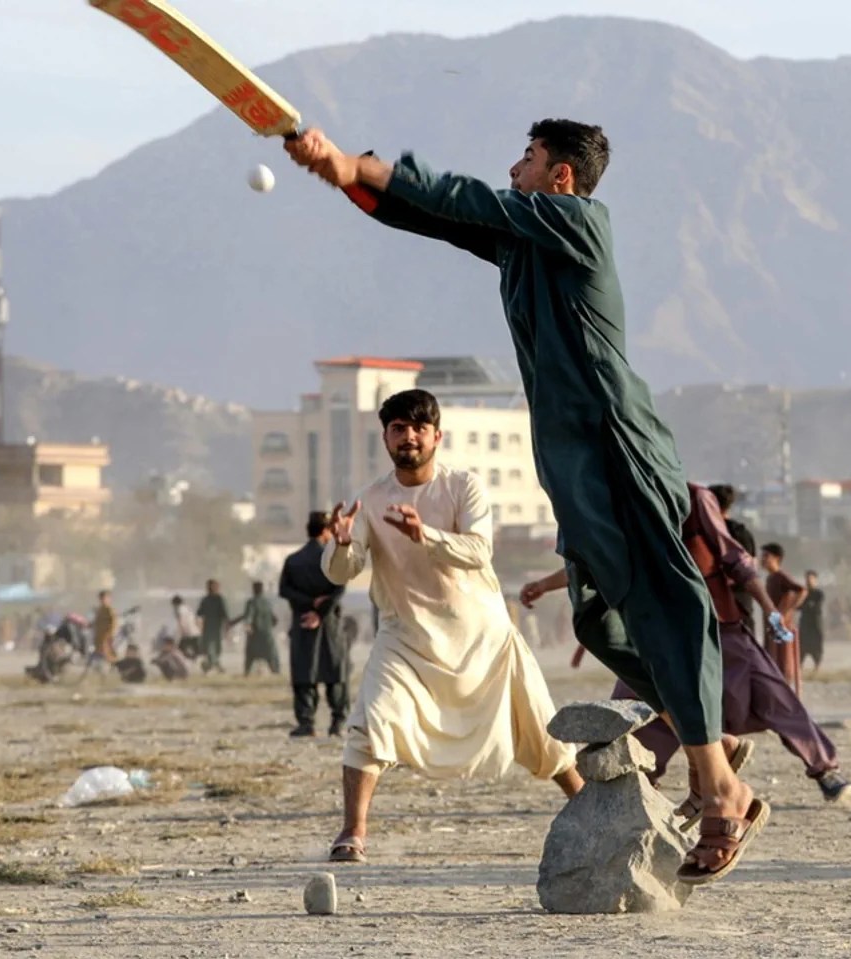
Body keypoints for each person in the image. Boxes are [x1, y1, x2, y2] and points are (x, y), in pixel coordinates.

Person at [286, 119, 765, 883]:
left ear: (562, 177)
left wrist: (356, 163)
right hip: (570, 463)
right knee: (598, 619)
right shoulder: (523, 246)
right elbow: (444, 216)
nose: (513, 169)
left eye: (529, 159)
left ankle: (720, 788)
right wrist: (352, 179)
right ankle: (700, 727)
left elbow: (469, 197)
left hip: (618, 445)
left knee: (663, 604)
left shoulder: (578, 224)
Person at [320, 390, 581, 864]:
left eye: (419, 428)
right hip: (406, 638)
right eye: (399, 428)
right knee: (369, 722)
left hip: (483, 637)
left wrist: (427, 535)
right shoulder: (371, 499)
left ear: (437, 436)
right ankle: (352, 832)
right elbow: (343, 571)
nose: (409, 437)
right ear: (385, 438)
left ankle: (590, 809)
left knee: (542, 732)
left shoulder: (464, 487)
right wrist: (340, 544)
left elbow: (480, 551)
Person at [523, 483, 851, 813]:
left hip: (719, 627)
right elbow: (594, 560)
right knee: (635, 708)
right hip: (657, 632)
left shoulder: (696, 499)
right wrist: (543, 585)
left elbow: (735, 559)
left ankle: (826, 771)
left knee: (774, 698)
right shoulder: (621, 503)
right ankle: (633, 789)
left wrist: (769, 608)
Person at [279, 510, 348, 738]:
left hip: (302, 623)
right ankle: (337, 723)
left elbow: (284, 590)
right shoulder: (332, 559)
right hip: (329, 625)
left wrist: (308, 605)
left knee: (303, 674)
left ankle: (306, 723)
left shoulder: (293, 560)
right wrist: (321, 611)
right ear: (326, 530)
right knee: (335, 673)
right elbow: (339, 589)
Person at [707, 484, 756, 630]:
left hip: (719, 604)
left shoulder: (708, 532)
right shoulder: (743, 533)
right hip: (743, 603)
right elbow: (752, 567)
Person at [761, 544, 805, 696]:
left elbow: (801, 590)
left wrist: (787, 612)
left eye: (766, 556)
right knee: (771, 663)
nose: (763, 560)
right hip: (771, 629)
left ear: (776, 558)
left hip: (781, 629)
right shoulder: (770, 578)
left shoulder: (781, 576)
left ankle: (788, 697)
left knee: (782, 666)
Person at [231, 581, 280, 675]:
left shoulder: (251, 602)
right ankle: (276, 671)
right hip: (267, 634)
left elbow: (248, 616)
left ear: (253, 590)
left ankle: (247, 672)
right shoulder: (267, 602)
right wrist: (269, 627)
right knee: (271, 654)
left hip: (255, 634)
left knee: (250, 654)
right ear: (262, 590)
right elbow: (275, 619)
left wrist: (248, 626)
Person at [195, 579, 232, 674]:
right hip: (208, 630)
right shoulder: (205, 600)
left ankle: (207, 666)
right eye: (209, 587)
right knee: (210, 651)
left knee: (217, 651)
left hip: (217, 630)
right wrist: (199, 624)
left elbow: (225, 615)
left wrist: (227, 629)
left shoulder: (220, 599)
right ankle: (218, 668)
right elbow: (199, 613)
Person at [797, 570, 826, 672]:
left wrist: (808, 605)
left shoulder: (819, 593)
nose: (809, 581)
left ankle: (817, 667)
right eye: (807, 579)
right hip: (805, 624)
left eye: (811, 579)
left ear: (815, 580)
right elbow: (798, 606)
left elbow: (816, 606)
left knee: (816, 647)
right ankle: (799, 667)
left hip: (815, 624)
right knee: (801, 646)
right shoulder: (803, 593)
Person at [172, 594, 201, 661]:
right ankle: (194, 658)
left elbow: (181, 620)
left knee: (180, 649)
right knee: (195, 648)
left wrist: (181, 631)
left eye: (173, 604)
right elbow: (195, 618)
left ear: (175, 603)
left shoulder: (179, 609)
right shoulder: (187, 607)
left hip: (187, 632)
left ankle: (191, 658)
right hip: (195, 631)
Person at [92, 590, 117, 663]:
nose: (102, 600)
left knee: (108, 651)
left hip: (106, 635)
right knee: (100, 651)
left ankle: (114, 664)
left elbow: (114, 623)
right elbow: (97, 622)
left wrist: (110, 634)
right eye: (101, 598)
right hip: (99, 635)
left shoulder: (109, 610)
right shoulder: (99, 610)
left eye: (104, 598)